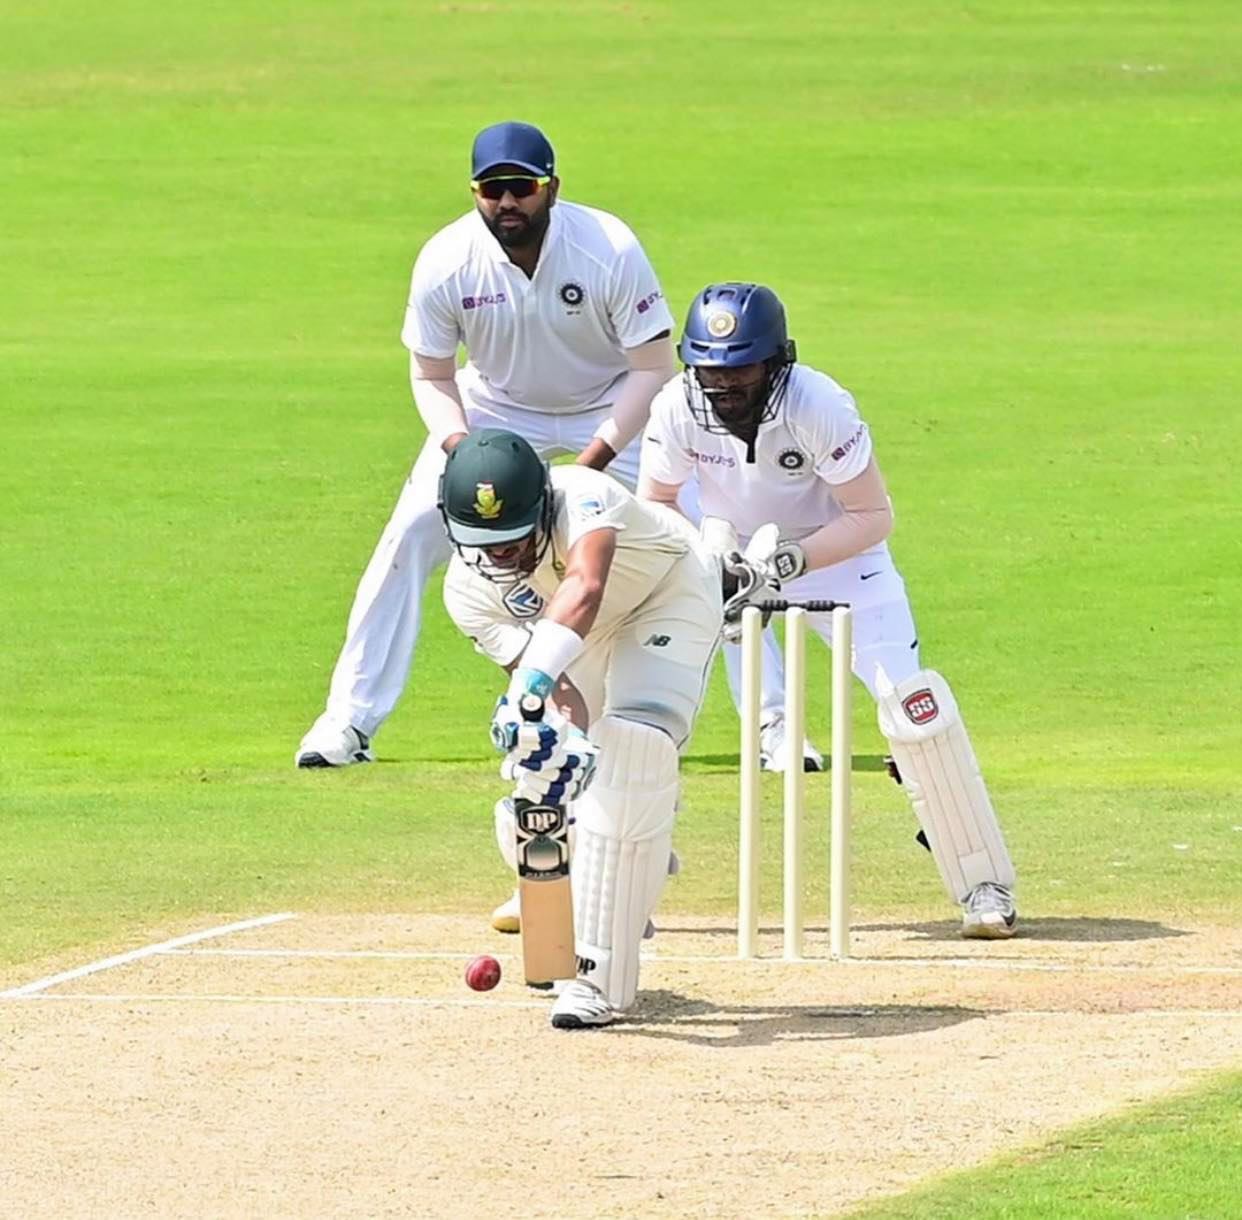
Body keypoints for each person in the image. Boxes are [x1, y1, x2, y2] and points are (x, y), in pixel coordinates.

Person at [295, 119, 683, 769]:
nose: (508, 202)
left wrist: (591, 464)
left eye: (522, 187)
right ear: (475, 192)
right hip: (497, 410)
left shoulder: (608, 248)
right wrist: (460, 449)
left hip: (612, 404)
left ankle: (774, 725)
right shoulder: (446, 259)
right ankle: (347, 722)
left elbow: (653, 368)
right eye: (492, 189)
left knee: (692, 542)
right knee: (410, 533)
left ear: (552, 188)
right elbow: (432, 374)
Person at [638, 283, 1019, 939]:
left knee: (914, 713)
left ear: (777, 360)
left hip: (840, 560)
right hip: (728, 558)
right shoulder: (676, 405)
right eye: (709, 368)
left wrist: (789, 561)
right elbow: (657, 501)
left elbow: (873, 516)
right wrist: (709, 559)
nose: (723, 384)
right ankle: (628, 889)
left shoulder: (818, 404)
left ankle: (984, 887)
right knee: (649, 716)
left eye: (740, 368)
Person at [438, 428, 721, 1028]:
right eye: (484, 543)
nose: (500, 557)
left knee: (636, 745)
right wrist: (550, 731)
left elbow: (585, 585)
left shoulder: (585, 494)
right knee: (545, 770)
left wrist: (527, 687)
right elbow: (564, 698)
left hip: (668, 592)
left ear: (542, 508)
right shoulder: (468, 591)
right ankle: (611, 878)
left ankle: (601, 984)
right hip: (572, 639)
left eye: (514, 541)